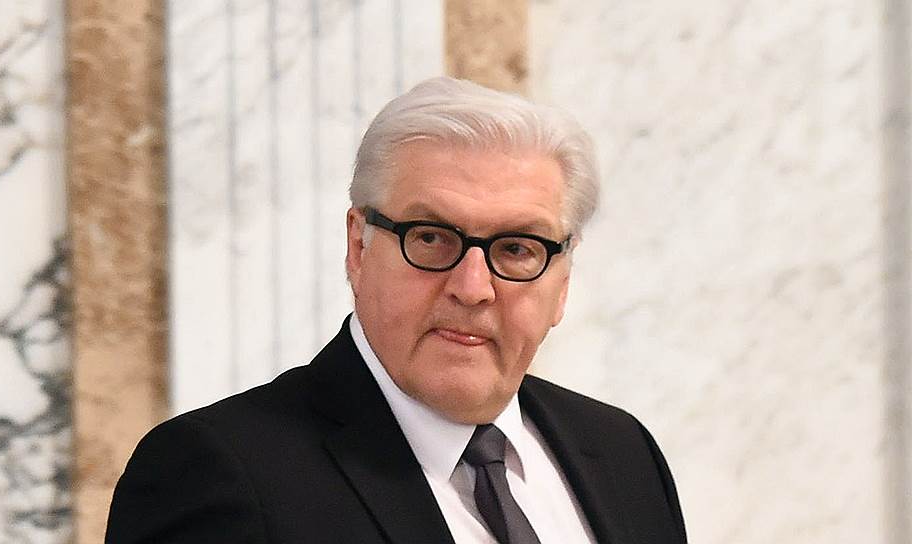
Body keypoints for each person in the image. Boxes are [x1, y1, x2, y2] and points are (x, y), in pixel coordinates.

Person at [106, 77, 687, 544]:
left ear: (562, 281)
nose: (473, 288)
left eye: (516, 249)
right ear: (358, 247)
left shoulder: (622, 452)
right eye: (431, 238)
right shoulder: (218, 472)